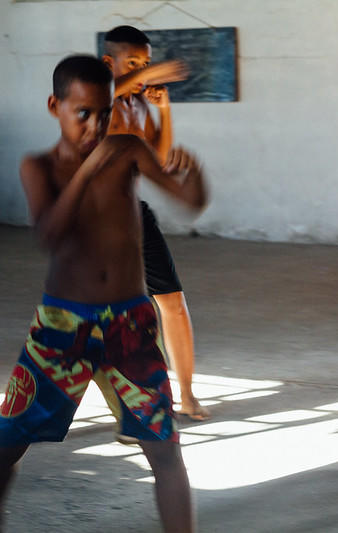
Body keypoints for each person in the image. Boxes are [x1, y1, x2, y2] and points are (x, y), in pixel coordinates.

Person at [0, 55, 206, 532]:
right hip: (61, 328)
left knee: (165, 450)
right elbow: (49, 234)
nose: (95, 126)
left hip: (129, 326)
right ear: (55, 106)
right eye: (82, 113)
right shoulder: (39, 167)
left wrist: (194, 176)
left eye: (104, 114)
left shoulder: (128, 150)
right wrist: (87, 173)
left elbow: (190, 201)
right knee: (7, 447)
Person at [102, 25, 210, 419]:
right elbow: (108, 91)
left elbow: (157, 161)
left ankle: (187, 393)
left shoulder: (137, 106)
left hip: (134, 212)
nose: (142, 72)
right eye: (132, 64)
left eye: (144, 63)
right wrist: (153, 72)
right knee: (110, 317)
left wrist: (164, 110)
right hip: (96, 219)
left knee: (173, 304)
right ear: (107, 63)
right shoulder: (99, 100)